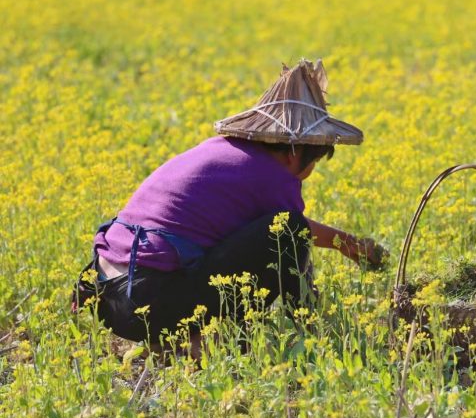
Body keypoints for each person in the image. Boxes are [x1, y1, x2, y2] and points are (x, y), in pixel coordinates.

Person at [72, 59, 386, 359]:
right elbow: (294, 232)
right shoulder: (271, 173)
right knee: (286, 231)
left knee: (277, 232)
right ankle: (308, 335)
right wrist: (322, 293)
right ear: (294, 152)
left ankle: (177, 341)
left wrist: (348, 245)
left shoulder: (221, 152)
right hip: (148, 300)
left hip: (106, 299)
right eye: (314, 162)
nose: (309, 172)